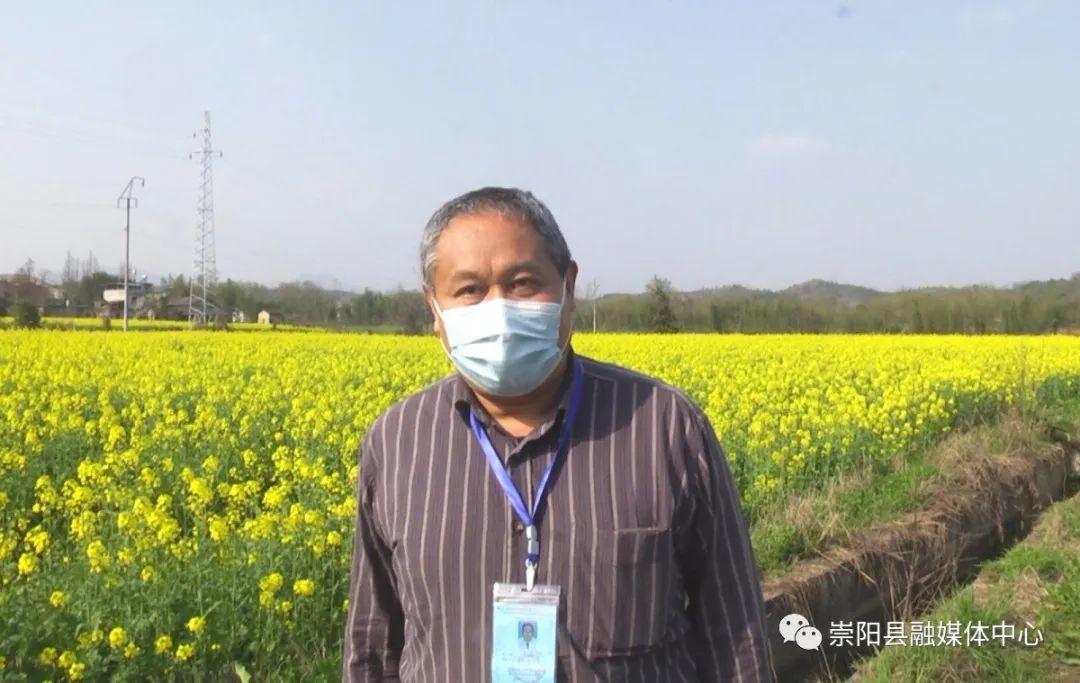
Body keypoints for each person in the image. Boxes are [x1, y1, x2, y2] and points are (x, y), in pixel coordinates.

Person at [343, 187, 771, 682]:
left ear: (569, 285)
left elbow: (735, 636)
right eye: (470, 290)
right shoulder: (398, 442)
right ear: (434, 309)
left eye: (523, 283)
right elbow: (372, 648)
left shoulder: (665, 427)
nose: (499, 310)